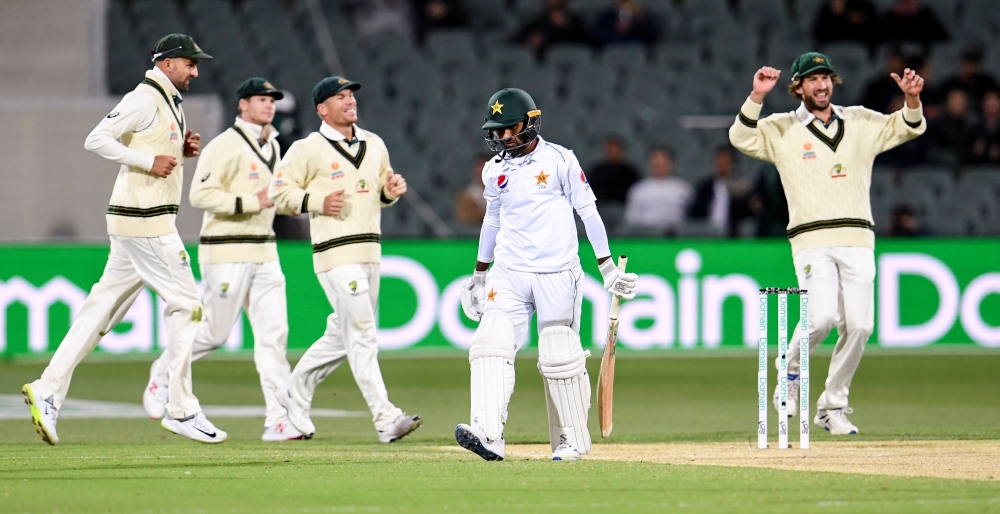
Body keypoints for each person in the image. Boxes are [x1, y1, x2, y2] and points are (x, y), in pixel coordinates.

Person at [22, 34, 227, 445]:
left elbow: (153, 148)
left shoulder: (167, 101)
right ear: (168, 64)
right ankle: (182, 408)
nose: (196, 71)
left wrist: (179, 149)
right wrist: (148, 160)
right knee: (187, 307)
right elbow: (96, 138)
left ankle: (47, 389)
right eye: (190, 63)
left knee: (100, 314)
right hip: (147, 223)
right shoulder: (145, 97)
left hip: (134, 223)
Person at [729, 52, 926, 434]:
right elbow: (740, 137)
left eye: (827, 79)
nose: (822, 86)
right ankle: (788, 377)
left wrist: (912, 100)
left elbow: (907, 127)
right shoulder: (782, 127)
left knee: (860, 326)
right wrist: (756, 96)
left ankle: (832, 407)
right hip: (811, 238)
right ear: (798, 87)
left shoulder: (860, 120)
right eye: (813, 80)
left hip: (857, 237)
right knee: (819, 319)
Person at [455, 88, 637, 461]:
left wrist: (604, 265)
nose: (504, 137)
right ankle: (488, 435)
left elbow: (588, 212)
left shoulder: (560, 160)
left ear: (531, 122)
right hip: (508, 272)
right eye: (498, 131)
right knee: (490, 342)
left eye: (510, 128)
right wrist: (479, 274)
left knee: (559, 354)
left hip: (557, 272)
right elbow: (492, 219)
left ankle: (572, 440)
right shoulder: (495, 169)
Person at [141, 78, 303, 442]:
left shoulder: (275, 145)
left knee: (273, 337)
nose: (268, 105)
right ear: (243, 105)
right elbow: (199, 194)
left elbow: (276, 197)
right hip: (226, 248)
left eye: (272, 100)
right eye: (261, 99)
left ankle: (278, 419)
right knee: (214, 332)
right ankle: (163, 374)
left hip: (265, 249)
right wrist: (249, 201)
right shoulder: (225, 145)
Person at [268, 76, 422, 443]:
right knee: (364, 332)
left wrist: (389, 193)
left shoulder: (374, 143)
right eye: (340, 97)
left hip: (370, 250)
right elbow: (278, 193)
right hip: (335, 254)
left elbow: (377, 193)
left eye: (351, 94)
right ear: (322, 109)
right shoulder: (308, 148)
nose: (350, 100)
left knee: (343, 334)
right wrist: (316, 202)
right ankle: (385, 418)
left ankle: (292, 392)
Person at [623, 147, 692, 231]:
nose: (659, 167)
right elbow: (632, 218)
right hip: (646, 235)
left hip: (675, 234)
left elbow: (690, 216)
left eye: (663, 164)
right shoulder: (639, 189)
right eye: (656, 164)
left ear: (670, 164)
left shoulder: (683, 188)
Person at [688, 146, 748, 235]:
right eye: (720, 161)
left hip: (732, 235)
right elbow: (695, 213)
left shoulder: (741, 188)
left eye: (726, 161)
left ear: (732, 164)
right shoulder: (705, 187)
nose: (722, 164)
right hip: (706, 234)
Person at [513, 0, 593, 57]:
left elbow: (591, 44)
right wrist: (529, 43)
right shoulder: (536, 23)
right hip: (544, 70)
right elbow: (514, 44)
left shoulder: (577, 22)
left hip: (576, 65)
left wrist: (567, 27)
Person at [586, 136, 641, 204]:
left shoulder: (630, 173)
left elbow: (635, 193)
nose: (613, 155)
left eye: (616, 152)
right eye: (610, 151)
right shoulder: (596, 172)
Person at [812, 0, 878, 53]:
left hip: (859, 53)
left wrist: (859, 22)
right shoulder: (828, 8)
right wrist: (834, 15)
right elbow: (818, 35)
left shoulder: (867, 7)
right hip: (832, 51)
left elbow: (875, 34)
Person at [929, 89, 975, 165]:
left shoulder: (970, 125)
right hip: (944, 162)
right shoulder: (938, 124)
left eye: (961, 100)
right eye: (955, 100)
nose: (959, 103)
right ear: (948, 102)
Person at [879, 0, 948, 51]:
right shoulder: (888, 18)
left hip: (921, 59)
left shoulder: (926, 16)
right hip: (895, 58)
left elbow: (943, 40)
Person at [593, 0, 658, 47]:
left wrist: (643, 22)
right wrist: (617, 30)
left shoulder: (640, 17)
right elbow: (597, 36)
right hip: (611, 45)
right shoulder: (608, 16)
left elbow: (652, 37)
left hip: (634, 47)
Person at [455, 153, 492, 223]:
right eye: (478, 166)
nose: (481, 170)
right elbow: (466, 217)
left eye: (485, 166)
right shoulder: (468, 196)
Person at [971, 91, 1000, 165]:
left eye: (994, 104)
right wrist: (976, 151)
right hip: (978, 166)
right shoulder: (974, 128)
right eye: (989, 105)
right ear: (983, 106)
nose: (991, 108)